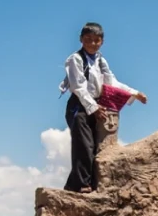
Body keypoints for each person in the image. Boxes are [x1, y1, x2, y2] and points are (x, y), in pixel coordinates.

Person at [59, 22, 148, 194]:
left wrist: (135, 93)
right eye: (88, 40)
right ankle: (80, 185)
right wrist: (93, 107)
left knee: (95, 146)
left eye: (96, 40)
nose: (92, 44)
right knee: (84, 145)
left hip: (97, 105)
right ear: (81, 40)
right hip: (80, 106)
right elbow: (78, 87)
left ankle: (81, 184)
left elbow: (111, 82)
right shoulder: (75, 59)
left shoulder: (100, 60)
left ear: (102, 41)